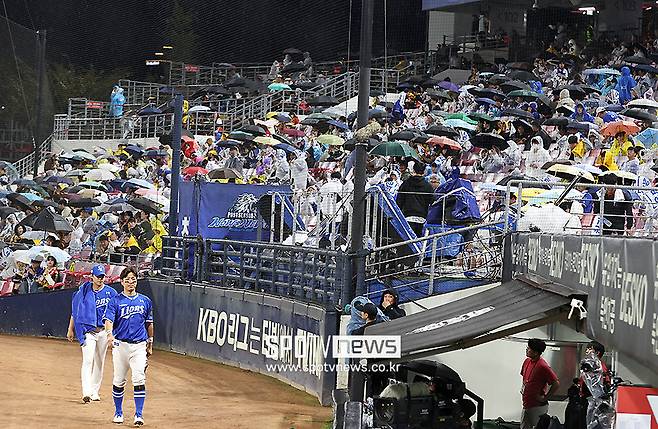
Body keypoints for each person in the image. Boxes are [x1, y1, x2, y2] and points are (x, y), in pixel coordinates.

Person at [103, 267, 153, 426]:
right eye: (128, 279)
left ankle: (139, 415)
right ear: (122, 281)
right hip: (121, 345)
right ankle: (118, 412)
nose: (131, 282)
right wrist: (109, 334)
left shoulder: (145, 301)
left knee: (139, 378)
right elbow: (108, 320)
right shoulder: (115, 301)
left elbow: (149, 323)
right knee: (119, 380)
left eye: (133, 279)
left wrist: (150, 343)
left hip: (139, 345)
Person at [67, 264, 117, 403]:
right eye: (98, 276)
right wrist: (70, 329)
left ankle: (95, 391)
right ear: (92, 277)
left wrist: (112, 333)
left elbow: (115, 313)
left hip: (103, 332)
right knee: (88, 360)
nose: (101, 279)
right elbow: (75, 311)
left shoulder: (111, 292)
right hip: (88, 331)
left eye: (102, 276)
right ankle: (86, 392)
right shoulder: (83, 291)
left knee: (99, 362)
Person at [520, 338, 560, 429]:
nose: (527, 349)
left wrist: (545, 397)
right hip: (526, 404)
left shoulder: (542, 366)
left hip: (537, 406)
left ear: (536, 352)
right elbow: (525, 378)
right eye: (527, 347)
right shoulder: (527, 361)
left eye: (529, 348)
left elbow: (556, 383)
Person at [396, 161, 435, 236]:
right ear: (423, 172)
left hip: (407, 216)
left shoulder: (406, 184)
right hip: (422, 218)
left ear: (413, 170)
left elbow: (399, 201)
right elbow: (432, 201)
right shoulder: (428, 186)